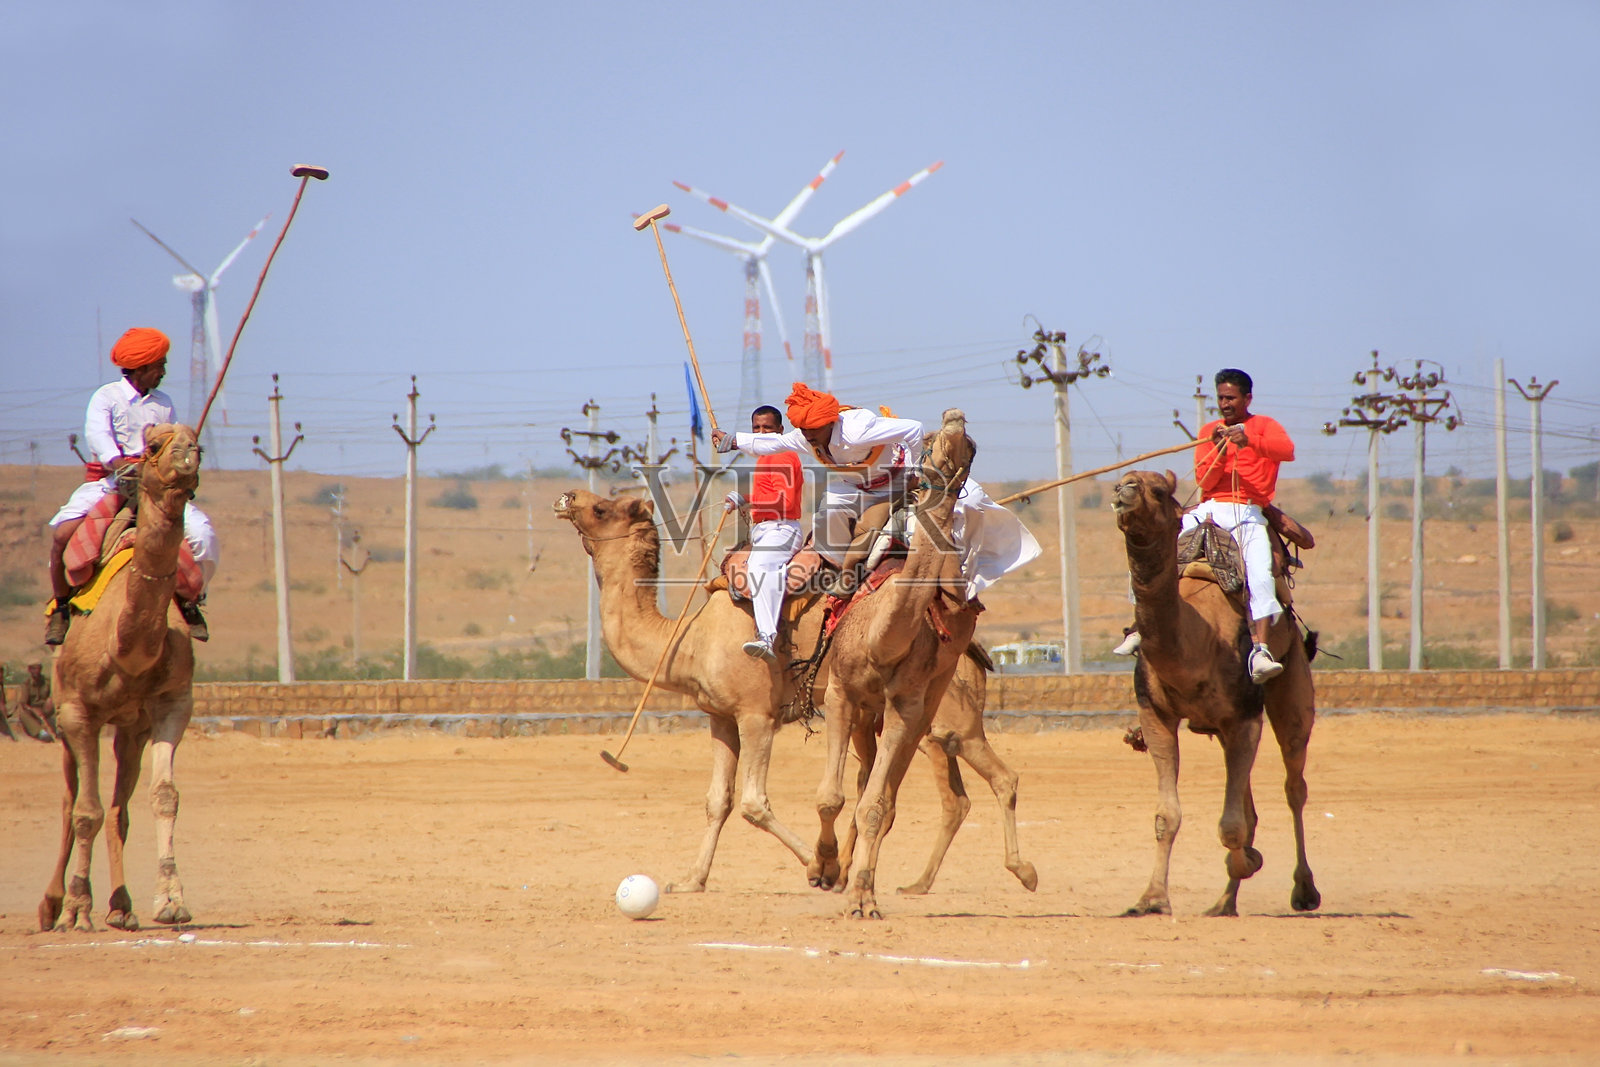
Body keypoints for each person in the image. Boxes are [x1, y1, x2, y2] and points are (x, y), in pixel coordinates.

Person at [1114, 368, 1294, 684]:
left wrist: (1248, 440)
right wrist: (1220, 450)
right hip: (1209, 508)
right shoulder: (1209, 431)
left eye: (1231, 398)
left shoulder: (1266, 426)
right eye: (1221, 398)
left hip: (1248, 512)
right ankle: (1138, 628)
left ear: (1247, 398)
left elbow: (1287, 451)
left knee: (1260, 572)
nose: (1224, 404)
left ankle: (1261, 651)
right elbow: (1205, 480)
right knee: (1155, 556)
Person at [44, 327, 219, 645]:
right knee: (61, 536)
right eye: (160, 365)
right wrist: (118, 462)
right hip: (114, 483)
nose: (164, 372)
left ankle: (191, 601)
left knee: (204, 537)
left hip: (157, 489)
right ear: (141, 367)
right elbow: (98, 435)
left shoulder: (164, 404)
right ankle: (60, 606)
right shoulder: (106, 397)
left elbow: (171, 445)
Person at [711, 382, 922, 569]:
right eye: (804, 430)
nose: (808, 435)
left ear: (830, 423)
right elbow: (775, 442)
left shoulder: (857, 431)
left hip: (897, 480)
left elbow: (914, 429)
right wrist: (732, 441)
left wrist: (914, 471)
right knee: (826, 511)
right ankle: (843, 569)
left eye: (814, 429)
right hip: (855, 487)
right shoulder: (804, 436)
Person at [722, 405, 805, 661]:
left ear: (780, 430)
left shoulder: (781, 455)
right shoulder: (765, 458)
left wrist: (747, 499)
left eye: (767, 428)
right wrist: (745, 499)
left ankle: (767, 636)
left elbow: (785, 502)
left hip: (781, 528)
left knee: (758, 569)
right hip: (765, 530)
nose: (761, 432)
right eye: (756, 428)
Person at [7, 662, 58, 742]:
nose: (36, 671)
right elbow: (23, 703)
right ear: (29, 670)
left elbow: (53, 695)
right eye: (34, 669)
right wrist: (33, 710)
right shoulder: (26, 684)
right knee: (22, 713)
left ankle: (58, 729)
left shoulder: (47, 682)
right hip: (32, 709)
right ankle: (41, 732)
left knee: (52, 702)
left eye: (38, 669)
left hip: (45, 708)